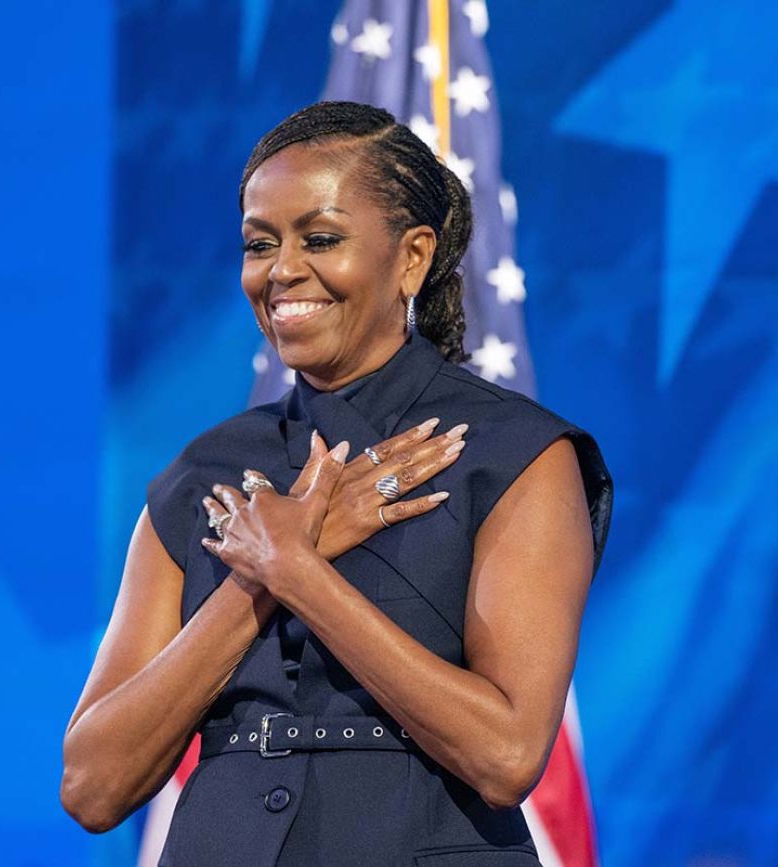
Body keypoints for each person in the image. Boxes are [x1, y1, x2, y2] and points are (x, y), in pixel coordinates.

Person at [60, 100, 613, 866]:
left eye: (321, 238)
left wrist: (301, 570)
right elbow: (92, 785)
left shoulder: (514, 454)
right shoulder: (202, 475)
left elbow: (507, 754)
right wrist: (255, 584)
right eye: (260, 244)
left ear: (412, 257)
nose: (283, 270)